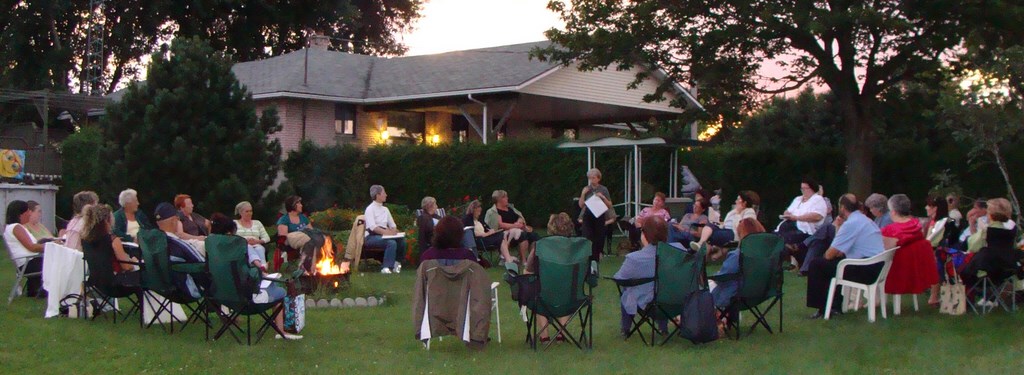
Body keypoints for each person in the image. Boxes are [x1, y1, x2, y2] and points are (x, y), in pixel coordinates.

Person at [209, 213, 301, 340]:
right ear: (230, 234)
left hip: (221, 296)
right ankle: (281, 331)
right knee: (279, 290)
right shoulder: (237, 251)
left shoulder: (211, 248)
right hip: (247, 299)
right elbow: (250, 275)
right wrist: (261, 273)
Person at [805, 194, 886, 319]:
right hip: (877, 267)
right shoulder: (865, 220)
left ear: (842, 207)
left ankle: (823, 307)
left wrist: (838, 231)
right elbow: (842, 250)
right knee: (833, 264)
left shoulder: (851, 224)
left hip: (866, 270)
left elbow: (829, 254)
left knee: (817, 264)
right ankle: (835, 306)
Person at [614, 216, 670, 338]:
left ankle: (625, 328)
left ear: (645, 235)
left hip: (649, 303)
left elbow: (619, 278)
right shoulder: (677, 253)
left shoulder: (635, 258)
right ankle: (663, 328)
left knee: (627, 291)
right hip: (674, 302)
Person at [880, 194, 939, 306]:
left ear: (893, 212)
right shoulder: (917, 226)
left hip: (896, 270)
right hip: (914, 267)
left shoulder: (890, 230)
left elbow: (883, 251)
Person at [529, 212, 578, 342]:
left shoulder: (540, 245)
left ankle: (544, 335)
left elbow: (528, 270)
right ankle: (561, 332)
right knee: (565, 289)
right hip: (570, 295)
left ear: (550, 228)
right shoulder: (577, 248)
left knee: (537, 291)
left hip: (545, 294)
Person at [153, 202, 206, 298]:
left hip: (158, 288)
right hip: (184, 290)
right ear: (175, 220)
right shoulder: (178, 244)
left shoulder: (151, 243)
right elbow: (201, 264)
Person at [711, 218, 766, 309]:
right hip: (759, 293)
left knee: (701, 288)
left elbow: (723, 276)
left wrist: (714, 276)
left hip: (734, 295)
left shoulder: (738, 255)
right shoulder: (765, 256)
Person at [81, 204, 140, 276]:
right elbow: (126, 267)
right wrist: (135, 261)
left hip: (94, 282)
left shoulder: (85, 240)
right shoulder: (114, 241)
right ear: (107, 220)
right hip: (113, 283)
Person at [4, 200, 46, 297]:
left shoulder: (14, 227)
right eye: (27, 211)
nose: (29, 214)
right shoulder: (16, 227)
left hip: (28, 262)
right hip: (29, 263)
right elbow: (31, 247)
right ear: (20, 214)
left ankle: (35, 290)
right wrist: (51, 247)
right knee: (58, 262)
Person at [691, 190, 760, 249]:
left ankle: (704, 247)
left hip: (734, 234)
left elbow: (742, 226)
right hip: (725, 230)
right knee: (709, 226)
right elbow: (726, 224)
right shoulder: (733, 211)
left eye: (738, 199)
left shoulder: (749, 212)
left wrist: (739, 213)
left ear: (744, 203)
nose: (736, 201)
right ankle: (700, 243)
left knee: (712, 235)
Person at [486, 189, 539, 263]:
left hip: (517, 230)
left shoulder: (511, 208)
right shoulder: (493, 212)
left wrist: (520, 221)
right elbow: (499, 225)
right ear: (499, 199)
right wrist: (514, 226)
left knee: (534, 236)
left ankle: (533, 259)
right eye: (505, 197)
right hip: (504, 234)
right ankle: (523, 260)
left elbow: (519, 216)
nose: (507, 198)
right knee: (523, 236)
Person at [363, 185, 407, 274]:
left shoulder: (385, 209)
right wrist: (388, 233)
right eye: (384, 193)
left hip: (384, 235)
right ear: (378, 195)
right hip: (371, 237)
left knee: (401, 240)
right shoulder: (370, 209)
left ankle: (396, 264)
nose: (386, 195)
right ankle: (386, 267)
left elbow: (392, 225)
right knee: (391, 242)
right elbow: (373, 227)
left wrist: (394, 230)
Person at [577, 168, 614, 261]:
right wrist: (583, 194)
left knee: (599, 237)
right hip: (588, 216)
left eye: (593, 178)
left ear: (598, 178)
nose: (592, 180)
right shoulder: (586, 189)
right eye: (590, 178)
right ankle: (587, 256)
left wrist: (602, 197)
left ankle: (597, 256)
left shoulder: (603, 189)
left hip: (599, 215)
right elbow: (581, 205)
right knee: (587, 236)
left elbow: (609, 205)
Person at [234, 201, 271, 272]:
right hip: (242, 246)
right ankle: (262, 267)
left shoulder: (257, 223)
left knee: (259, 249)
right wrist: (244, 241)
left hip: (256, 244)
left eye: (251, 211)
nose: (249, 213)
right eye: (247, 211)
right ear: (241, 213)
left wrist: (257, 241)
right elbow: (232, 237)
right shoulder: (234, 223)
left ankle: (262, 267)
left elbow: (267, 238)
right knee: (248, 247)